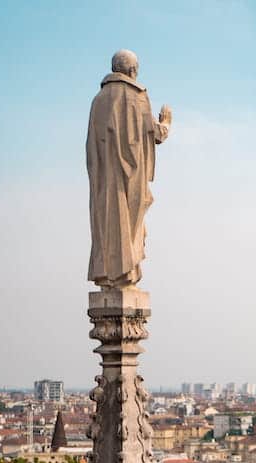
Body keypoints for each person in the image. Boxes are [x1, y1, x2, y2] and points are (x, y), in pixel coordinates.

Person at [86, 50, 172, 288]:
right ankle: (126, 273)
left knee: (107, 222)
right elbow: (155, 133)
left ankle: (107, 274)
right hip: (130, 180)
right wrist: (166, 122)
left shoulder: (98, 100)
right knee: (129, 225)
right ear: (133, 71)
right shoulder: (138, 96)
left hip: (103, 178)